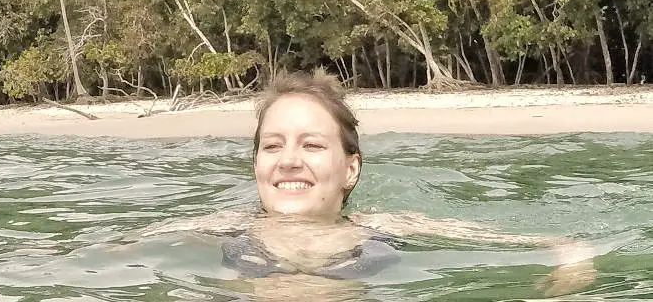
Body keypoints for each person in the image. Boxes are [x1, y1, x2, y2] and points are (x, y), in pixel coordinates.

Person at [139, 71, 597, 296]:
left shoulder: (383, 225)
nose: (289, 161)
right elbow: (114, 252)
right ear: (256, 164)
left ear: (351, 169)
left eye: (313, 146)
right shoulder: (222, 226)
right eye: (272, 146)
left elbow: (529, 240)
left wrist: (571, 255)